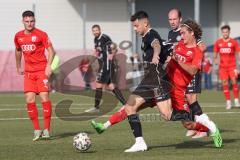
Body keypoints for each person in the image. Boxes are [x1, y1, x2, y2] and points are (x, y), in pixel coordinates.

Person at [91, 11, 222, 152]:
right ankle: (108, 128)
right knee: (131, 106)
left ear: (192, 33)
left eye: (183, 33)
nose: (181, 35)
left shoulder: (197, 51)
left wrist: (171, 58)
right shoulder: (178, 46)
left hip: (176, 89)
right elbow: (161, 46)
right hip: (162, 82)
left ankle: (209, 126)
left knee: (181, 121)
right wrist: (160, 57)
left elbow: (193, 70)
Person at [14, 10, 55, 141]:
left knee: (44, 97)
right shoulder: (18, 36)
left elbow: (51, 50)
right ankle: (37, 130)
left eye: (32, 21)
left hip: (41, 70)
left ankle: (47, 130)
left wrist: (49, 65)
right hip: (28, 73)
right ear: (23, 21)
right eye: (27, 21)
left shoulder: (41, 34)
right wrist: (18, 66)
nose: (29, 23)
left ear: (34, 21)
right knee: (29, 99)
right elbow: (18, 50)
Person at [167, 8, 207, 138]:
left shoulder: (188, 31)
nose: (172, 22)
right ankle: (194, 125)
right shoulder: (170, 34)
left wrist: (191, 58)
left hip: (190, 71)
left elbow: (201, 47)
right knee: (184, 100)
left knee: (191, 99)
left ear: (180, 19)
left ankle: (203, 128)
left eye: (174, 19)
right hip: (179, 74)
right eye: (170, 19)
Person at [85, 25, 126, 113]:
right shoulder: (95, 40)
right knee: (111, 85)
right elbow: (96, 52)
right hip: (103, 64)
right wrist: (90, 62)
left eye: (96, 30)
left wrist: (112, 55)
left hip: (107, 64)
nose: (95, 32)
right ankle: (126, 104)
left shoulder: (104, 37)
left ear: (100, 30)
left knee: (99, 84)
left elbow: (114, 46)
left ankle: (96, 108)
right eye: (93, 31)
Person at [213, 25, 240, 109]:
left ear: (229, 32)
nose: (225, 33)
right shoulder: (218, 42)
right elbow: (215, 53)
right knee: (224, 83)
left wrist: (239, 63)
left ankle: (236, 100)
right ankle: (228, 102)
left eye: (226, 32)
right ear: (222, 33)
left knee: (234, 82)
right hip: (222, 67)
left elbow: (238, 53)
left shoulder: (234, 42)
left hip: (232, 66)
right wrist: (215, 59)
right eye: (223, 32)